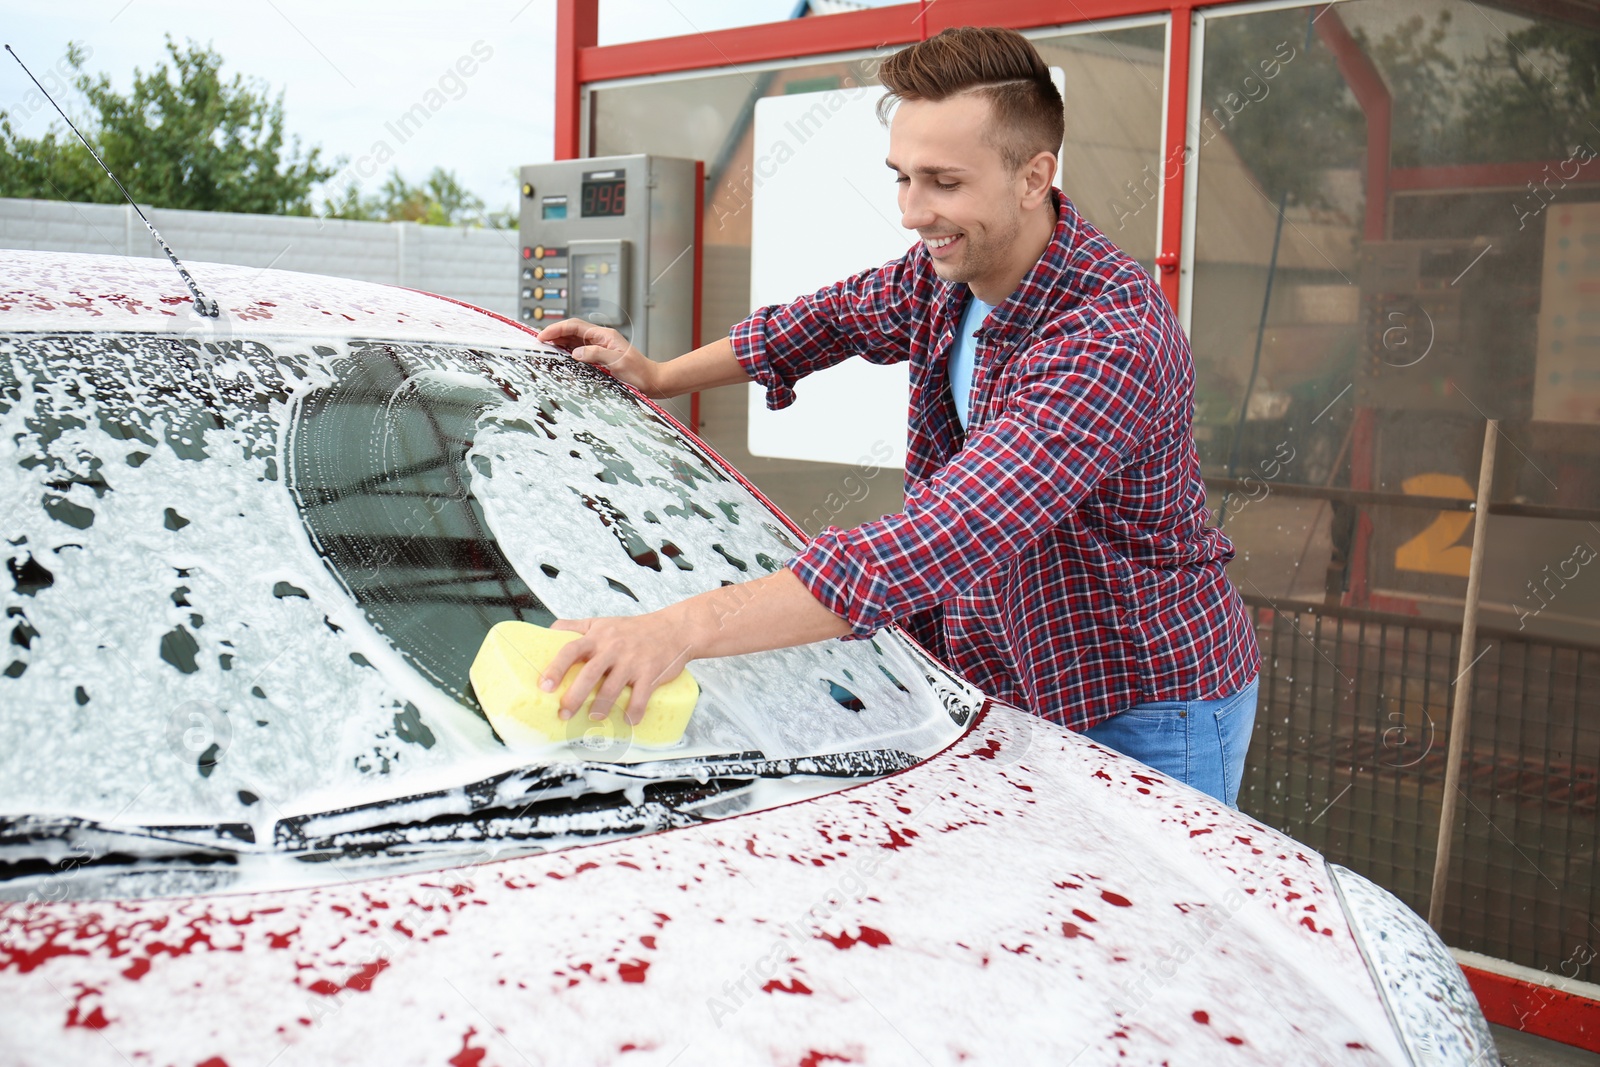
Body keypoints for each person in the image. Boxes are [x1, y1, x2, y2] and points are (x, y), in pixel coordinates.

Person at [536, 26, 1261, 807]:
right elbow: (820, 322)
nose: (914, 213)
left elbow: (940, 537)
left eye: (944, 182)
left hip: (1142, 701)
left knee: (1149, 929)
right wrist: (659, 374)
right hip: (1008, 681)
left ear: (1035, 176)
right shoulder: (945, 273)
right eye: (902, 178)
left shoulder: (1108, 341)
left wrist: (674, 629)